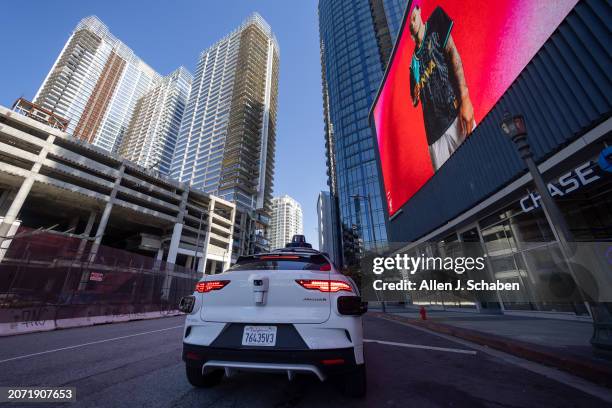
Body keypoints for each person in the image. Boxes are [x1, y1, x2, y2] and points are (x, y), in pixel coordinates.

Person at [409, 4, 475, 171]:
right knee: (451, 189)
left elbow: (453, 54)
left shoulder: (435, 23)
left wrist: (465, 99)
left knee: (479, 165)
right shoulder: (413, 63)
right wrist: (415, 94)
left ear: (419, 11)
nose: (411, 22)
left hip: (454, 115)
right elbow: (414, 100)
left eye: (413, 16)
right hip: (434, 136)